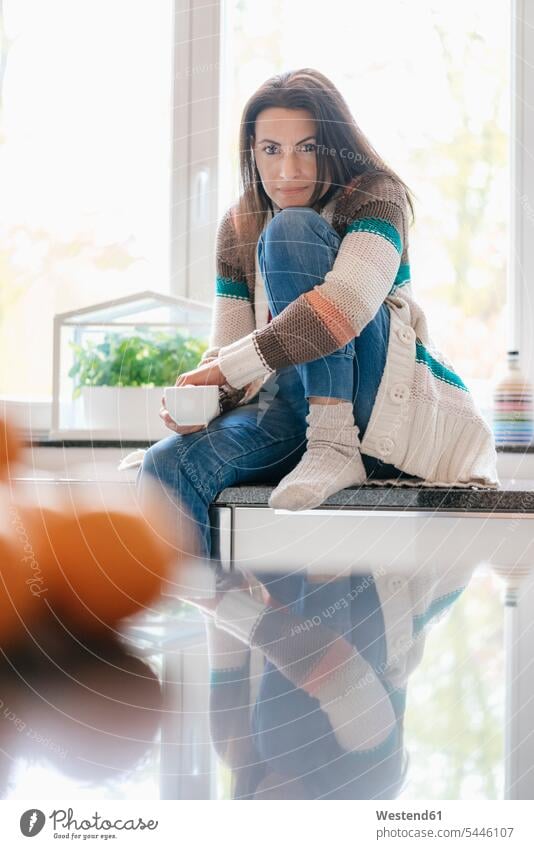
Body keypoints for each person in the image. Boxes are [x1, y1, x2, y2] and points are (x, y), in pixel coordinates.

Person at [138, 67, 498, 797]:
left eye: (306, 148)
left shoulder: (375, 196)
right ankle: (236, 603)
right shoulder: (239, 221)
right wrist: (197, 391)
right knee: (163, 471)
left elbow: (346, 304)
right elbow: (228, 349)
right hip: (287, 404)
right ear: (253, 152)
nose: (288, 169)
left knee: (295, 235)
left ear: (333, 146)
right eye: (270, 150)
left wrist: (232, 365)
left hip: (373, 403)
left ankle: (335, 445)